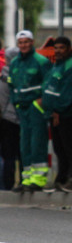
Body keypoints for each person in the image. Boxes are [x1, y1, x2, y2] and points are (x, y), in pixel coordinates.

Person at [8, 30, 51, 192]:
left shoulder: (41, 61)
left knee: (37, 142)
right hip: (22, 108)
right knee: (24, 145)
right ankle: (26, 179)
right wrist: (16, 103)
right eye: (20, 42)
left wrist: (39, 103)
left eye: (26, 42)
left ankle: (38, 180)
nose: (23, 45)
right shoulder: (14, 63)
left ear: (32, 42)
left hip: (36, 108)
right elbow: (12, 85)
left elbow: (48, 84)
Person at [42, 36, 72, 192]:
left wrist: (58, 110)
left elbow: (68, 92)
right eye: (56, 48)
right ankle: (62, 178)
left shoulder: (71, 66)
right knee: (59, 148)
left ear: (69, 49)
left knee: (70, 147)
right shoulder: (56, 66)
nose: (58, 51)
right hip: (54, 114)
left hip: (67, 115)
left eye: (61, 48)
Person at [0, 47, 20, 190]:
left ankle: (6, 185)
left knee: (8, 155)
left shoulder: (4, 75)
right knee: (20, 154)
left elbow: (2, 98)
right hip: (19, 118)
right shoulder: (19, 73)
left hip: (7, 119)